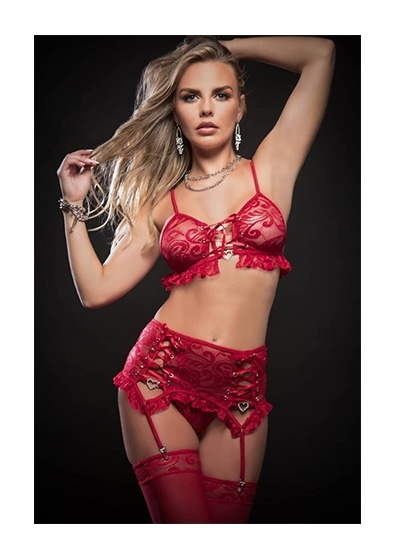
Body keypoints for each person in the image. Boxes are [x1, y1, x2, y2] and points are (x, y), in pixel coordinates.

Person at [56, 35, 335, 524]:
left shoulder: (272, 169)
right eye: (190, 96)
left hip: (242, 389)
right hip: (160, 378)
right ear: (175, 110)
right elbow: (96, 291)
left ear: (240, 107)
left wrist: (223, 47)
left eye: (220, 94)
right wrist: (72, 207)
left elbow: (320, 54)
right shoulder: (159, 200)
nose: (206, 108)